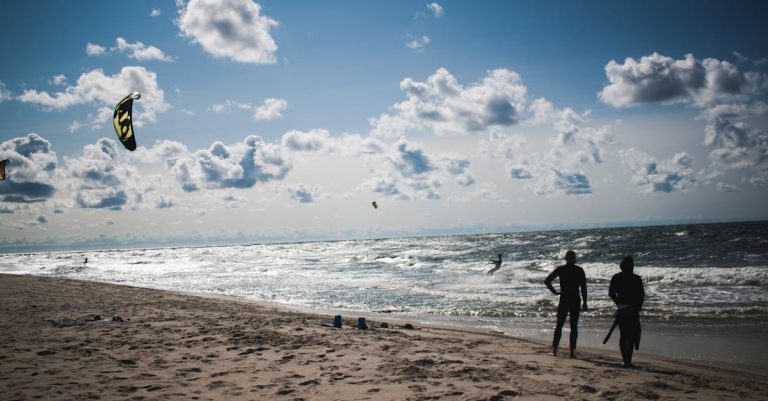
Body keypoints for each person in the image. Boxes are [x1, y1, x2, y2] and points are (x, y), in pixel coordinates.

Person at [544, 250, 588, 357]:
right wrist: (585, 302)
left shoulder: (561, 269)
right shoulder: (579, 270)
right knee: (573, 326)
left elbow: (547, 281)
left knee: (559, 325)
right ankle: (572, 353)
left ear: (566, 258)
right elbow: (583, 288)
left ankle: (554, 351)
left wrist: (555, 292)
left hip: (564, 298)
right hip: (575, 298)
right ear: (574, 258)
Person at [608, 255, 645, 368]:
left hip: (622, 309)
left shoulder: (616, 277)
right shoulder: (636, 278)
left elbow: (611, 293)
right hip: (632, 309)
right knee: (631, 335)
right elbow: (641, 295)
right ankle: (628, 360)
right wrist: (638, 307)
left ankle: (625, 361)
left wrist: (619, 303)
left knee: (624, 335)